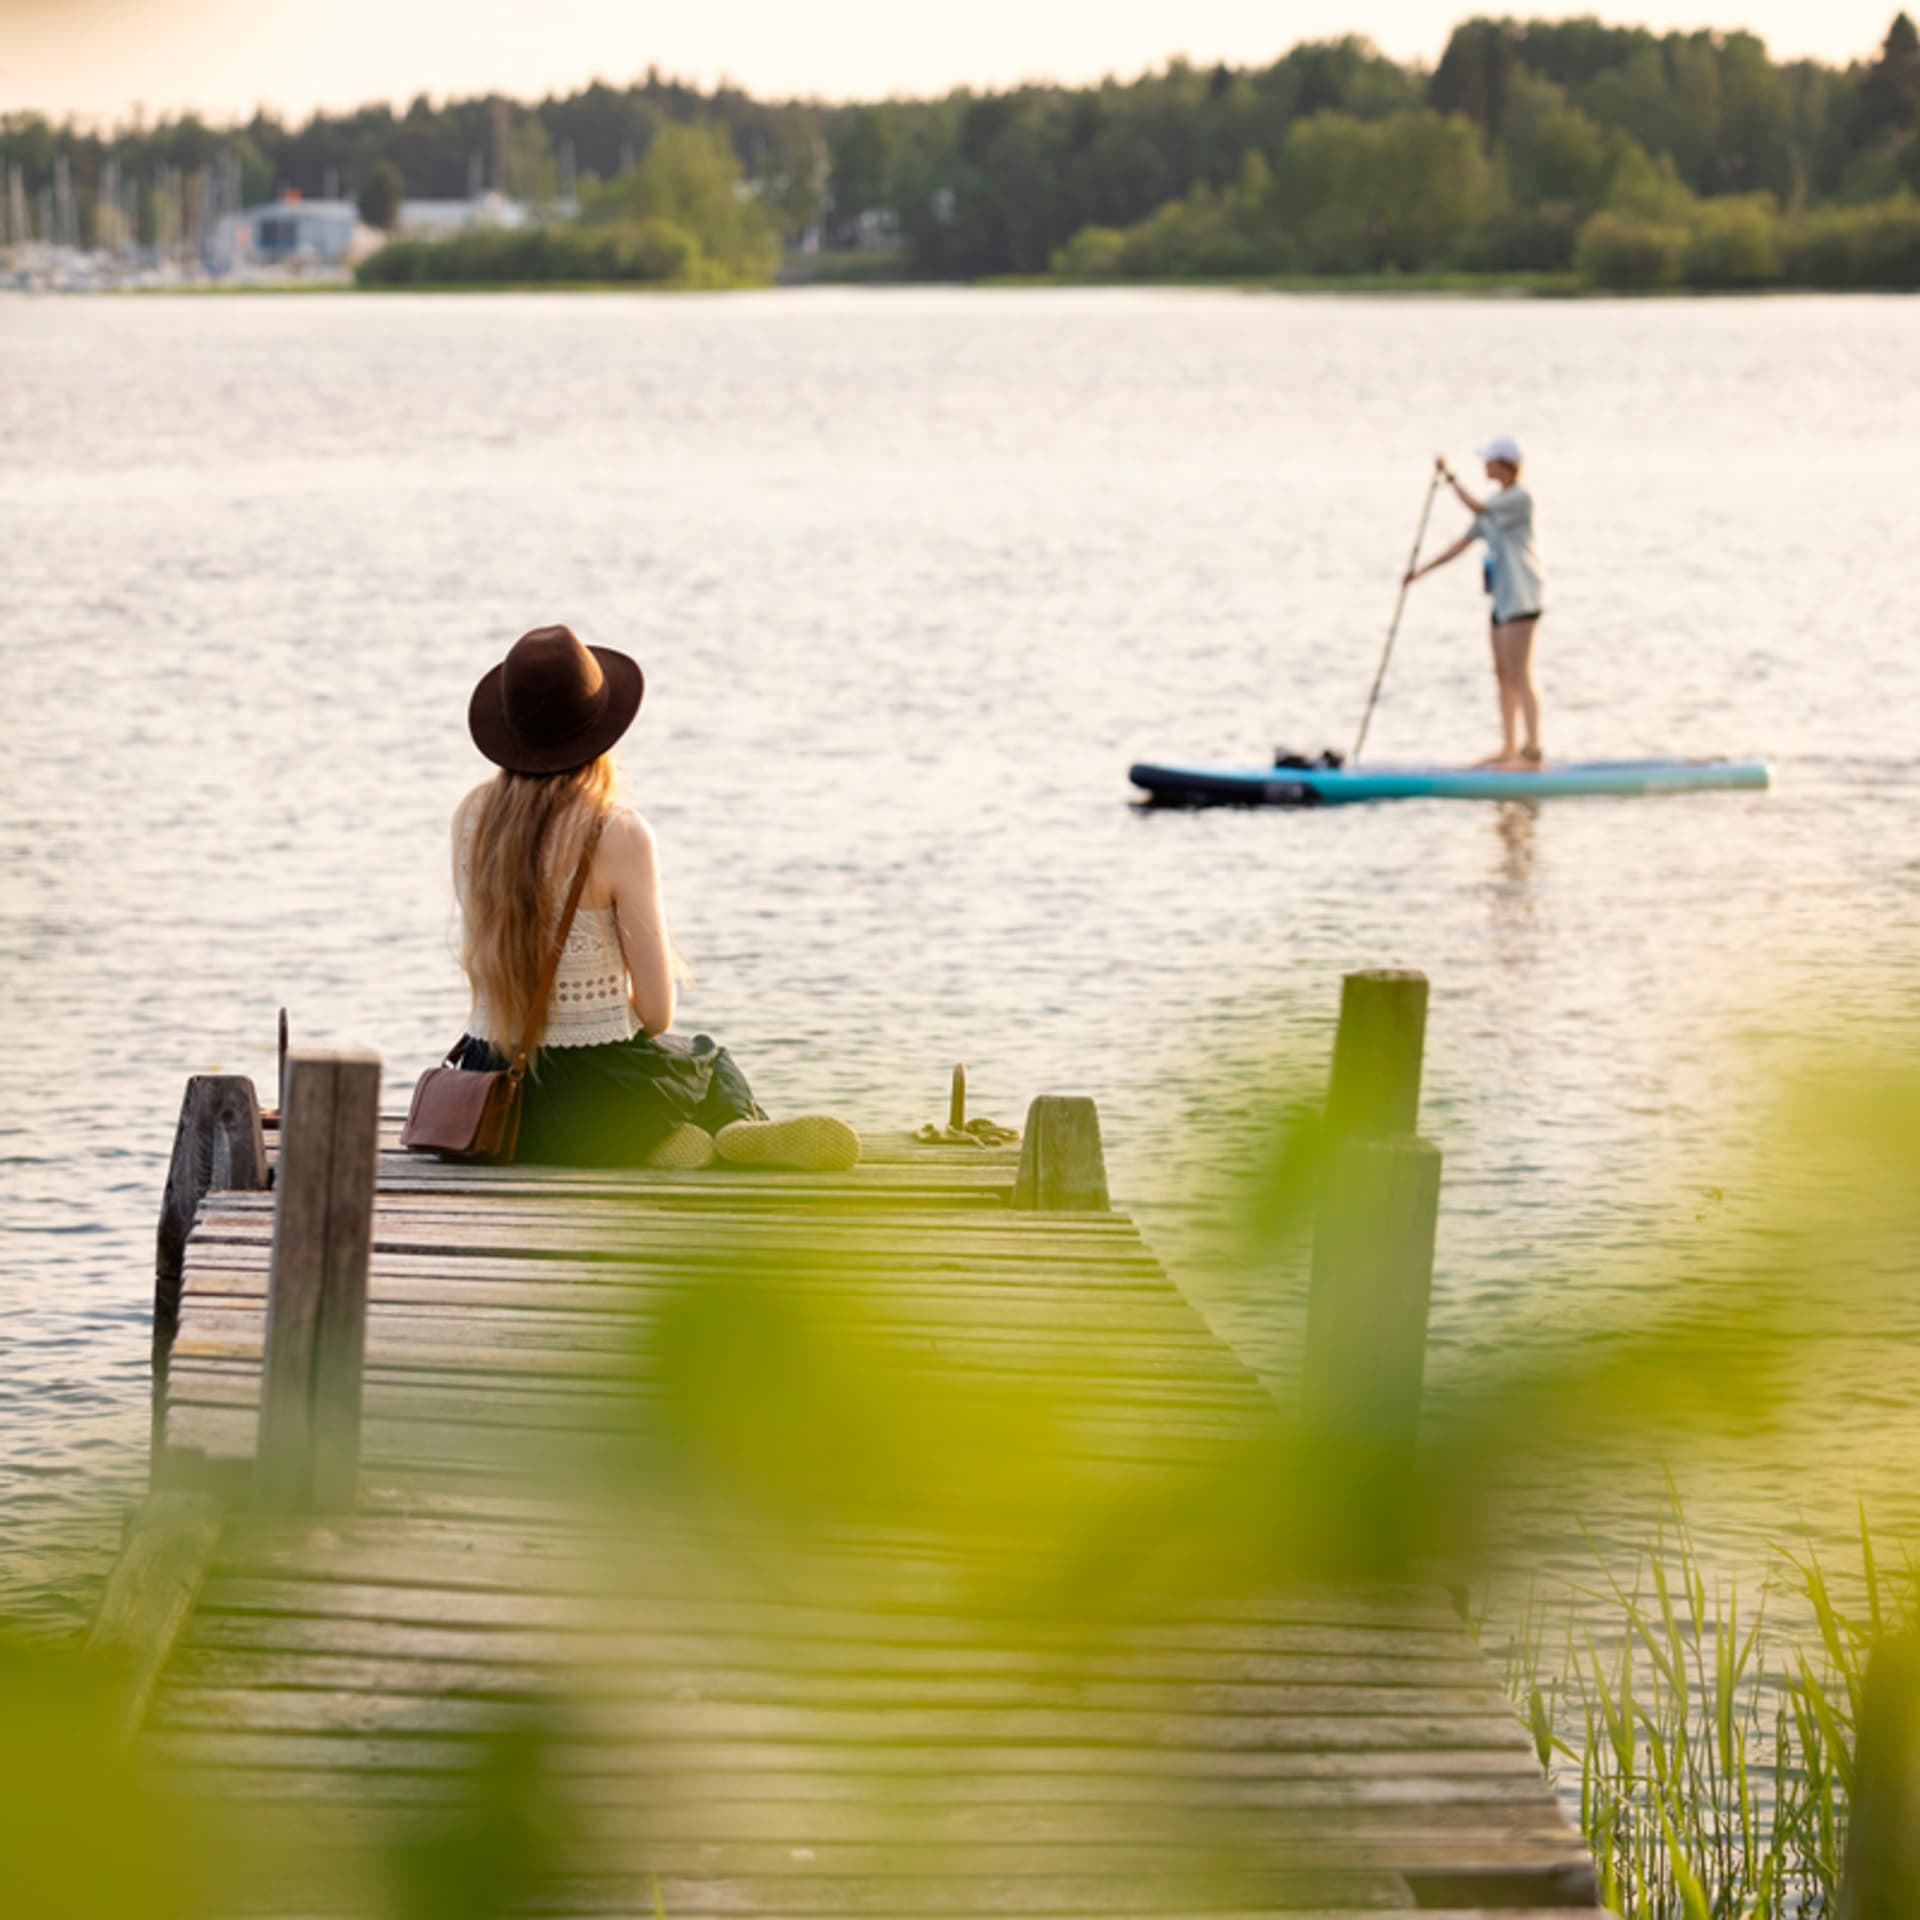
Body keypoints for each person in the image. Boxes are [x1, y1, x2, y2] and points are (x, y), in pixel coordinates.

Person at [448, 623, 860, 1172]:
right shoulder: (616, 832)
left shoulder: (471, 818)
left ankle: (659, 1141)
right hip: (594, 1100)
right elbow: (658, 1013)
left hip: (497, 1102)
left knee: (622, 1084)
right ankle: (725, 1131)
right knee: (709, 1060)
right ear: (600, 736)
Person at [1402, 435, 1548, 769]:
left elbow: (1477, 508)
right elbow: (1461, 543)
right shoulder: (1494, 505)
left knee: (1520, 672)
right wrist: (1420, 571)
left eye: (1489, 460)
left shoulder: (1518, 499)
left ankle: (1533, 752)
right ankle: (1509, 748)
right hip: (1500, 599)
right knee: (1501, 673)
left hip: (1522, 596)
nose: (1484, 466)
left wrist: (1450, 477)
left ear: (1504, 465)